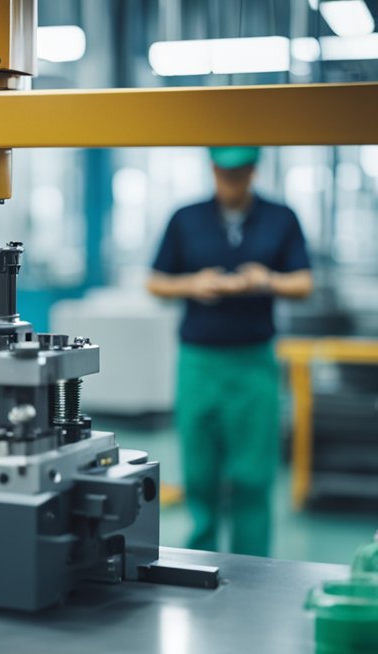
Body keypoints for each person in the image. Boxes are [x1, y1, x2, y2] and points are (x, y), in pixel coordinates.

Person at [148, 146, 313, 556]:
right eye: (224, 173)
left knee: (253, 474)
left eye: (239, 174)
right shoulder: (186, 218)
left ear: (254, 171)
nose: (231, 182)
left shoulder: (280, 218)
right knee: (200, 470)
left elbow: (304, 283)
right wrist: (192, 285)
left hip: (253, 362)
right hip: (199, 362)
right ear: (212, 169)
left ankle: (253, 565)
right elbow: (156, 281)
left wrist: (267, 280)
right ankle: (201, 556)